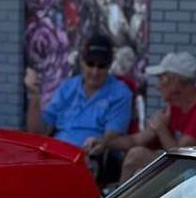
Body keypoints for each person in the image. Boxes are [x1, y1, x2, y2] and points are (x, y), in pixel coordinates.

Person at [110, 50, 196, 179]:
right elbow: (138, 139)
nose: (158, 86)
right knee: (136, 158)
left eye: (161, 79)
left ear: (176, 82)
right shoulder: (175, 106)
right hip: (195, 170)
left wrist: (161, 129)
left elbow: (181, 155)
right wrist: (105, 143)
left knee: (138, 159)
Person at [24, 33, 134, 169]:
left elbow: (111, 138)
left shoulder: (120, 93)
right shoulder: (67, 87)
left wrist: (97, 144)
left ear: (109, 66)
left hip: (91, 158)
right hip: (57, 154)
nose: (95, 71)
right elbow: (37, 133)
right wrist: (34, 96)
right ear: (82, 62)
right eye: (90, 64)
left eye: (101, 66)